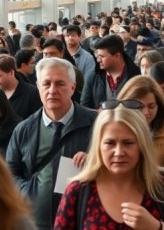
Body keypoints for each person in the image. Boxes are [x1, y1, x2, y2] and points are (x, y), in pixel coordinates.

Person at [54, 105, 164, 229]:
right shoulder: (78, 191)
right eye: (110, 143)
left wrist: (157, 227)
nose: (119, 152)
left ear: (141, 145)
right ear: (98, 146)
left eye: (128, 143)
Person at [7, 57, 97, 229]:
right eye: (46, 84)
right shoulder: (24, 129)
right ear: (38, 87)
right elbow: (9, 173)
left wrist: (95, 161)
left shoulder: (96, 124)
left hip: (82, 219)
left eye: (60, 83)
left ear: (73, 87)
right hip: (36, 221)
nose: (52, 90)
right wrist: (28, 192)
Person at [117, 75, 164, 166]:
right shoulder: (112, 132)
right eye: (140, 106)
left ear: (159, 106)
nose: (146, 112)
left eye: (151, 106)